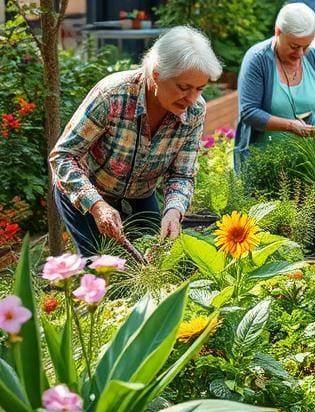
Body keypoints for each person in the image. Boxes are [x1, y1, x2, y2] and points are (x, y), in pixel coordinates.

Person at [50, 26, 222, 256]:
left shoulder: (194, 110)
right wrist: (98, 205)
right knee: (99, 270)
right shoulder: (112, 95)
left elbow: (182, 173)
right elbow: (63, 156)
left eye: (200, 88)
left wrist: (173, 210)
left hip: (140, 194)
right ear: (157, 74)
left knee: (154, 259)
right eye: (184, 87)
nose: (192, 99)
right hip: (89, 191)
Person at [235, 3, 315, 167]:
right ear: (278, 32)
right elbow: (248, 112)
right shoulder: (258, 59)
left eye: (305, 46)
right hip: (265, 164)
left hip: (311, 165)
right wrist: (289, 125)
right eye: (294, 46)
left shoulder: (314, 57)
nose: (300, 54)